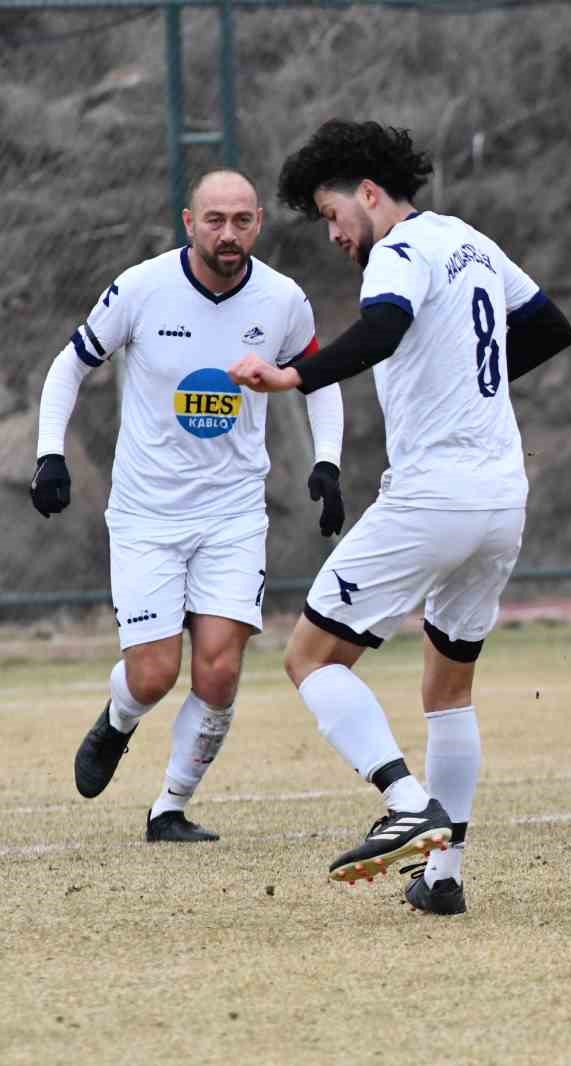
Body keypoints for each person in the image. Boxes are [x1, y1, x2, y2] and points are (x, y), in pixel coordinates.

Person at [228, 120, 571, 916]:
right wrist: (469, 381)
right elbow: (552, 327)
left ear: (371, 195)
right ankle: (445, 879)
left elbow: (381, 329)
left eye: (331, 212)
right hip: (500, 498)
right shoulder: (473, 243)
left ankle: (404, 800)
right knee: (448, 690)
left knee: (310, 658)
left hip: (435, 496)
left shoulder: (400, 250)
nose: (334, 232)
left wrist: (293, 374)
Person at [33, 169, 346, 843]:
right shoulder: (142, 288)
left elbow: (319, 379)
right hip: (147, 514)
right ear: (188, 221)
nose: (228, 234)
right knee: (153, 674)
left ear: (259, 222)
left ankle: (169, 807)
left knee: (220, 668)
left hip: (233, 515)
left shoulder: (283, 299)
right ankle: (118, 721)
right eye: (214, 220)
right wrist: (49, 453)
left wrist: (328, 463)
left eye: (241, 220)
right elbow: (71, 364)